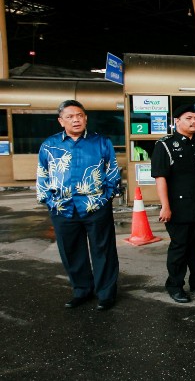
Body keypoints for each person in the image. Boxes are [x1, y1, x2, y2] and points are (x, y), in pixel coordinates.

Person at [36, 100, 121, 311]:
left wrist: (105, 199)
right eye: (70, 116)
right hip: (62, 207)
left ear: (85, 118)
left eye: (80, 115)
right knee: (71, 250)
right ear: (60, 121)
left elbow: (113, 173)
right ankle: (81, 290)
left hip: (96, 206)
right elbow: (42, 175)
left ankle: (106, 294)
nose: (76, 119)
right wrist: (49, 201)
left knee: (103, 250)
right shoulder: (49, 145)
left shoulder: (101, 142)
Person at [151, 103, 195, 304]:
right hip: (177, 206)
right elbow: (160, 177)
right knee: (179, 247)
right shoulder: (165, 144)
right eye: (188, 118)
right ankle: (174, 285)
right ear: (176, 121)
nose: (193, 122)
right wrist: (165, 205)